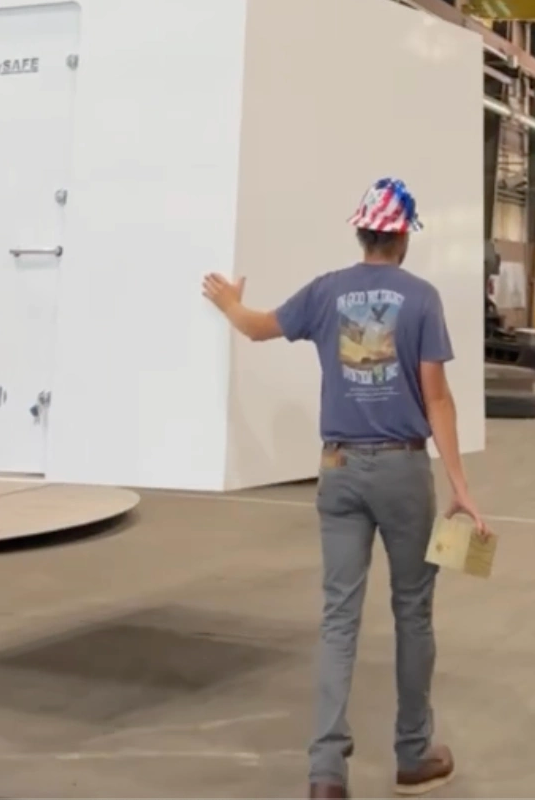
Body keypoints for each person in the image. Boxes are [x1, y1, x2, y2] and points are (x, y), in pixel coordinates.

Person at [202, 177, 487, 800]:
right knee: (413, 613)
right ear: (403, 235)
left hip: (337, 471)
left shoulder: (327, 291)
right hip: (403, 472)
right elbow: (436, 397)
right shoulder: (421, 298)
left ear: (361, 231)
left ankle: (326, 774)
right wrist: (460, 486)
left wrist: (228, 302)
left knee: (338, 620)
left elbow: (255, 328)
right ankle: (413, 756)